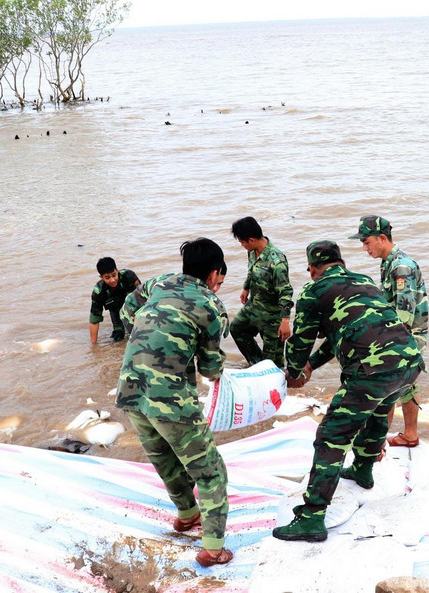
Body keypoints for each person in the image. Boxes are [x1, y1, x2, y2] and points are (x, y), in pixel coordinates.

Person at [272, 241, 424, 542]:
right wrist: (312, 366)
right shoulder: (364, 282)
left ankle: (312, 517)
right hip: (409, 362)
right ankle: (363, 471)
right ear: (340, 261)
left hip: (371, 373)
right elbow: (338, 334)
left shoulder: (314, 292)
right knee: (378, 413)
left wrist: (296, 371)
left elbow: (301, 341)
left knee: (331, 436)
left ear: (312, 268)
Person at [116, 238, 233, 567]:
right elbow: (211, 368)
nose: (219, 286)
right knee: (210, 472)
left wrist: (141, 337)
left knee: (165, 458)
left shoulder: (159, 281)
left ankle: (186, 515)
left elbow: (127, 309)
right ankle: (213, 548)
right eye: (220, 280)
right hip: (170, 401)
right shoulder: (211, 306)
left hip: (131, 389)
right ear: (213, 274)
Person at [349, 216, 429, 449]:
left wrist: (388, 349)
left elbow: (404, 316)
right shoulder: (389, 263)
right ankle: (410, 435)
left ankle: (377, 444)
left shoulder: (401, 267)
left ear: (382, 238)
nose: (364, 248)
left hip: (406, 336)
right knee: (407, 385)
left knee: (388, 386)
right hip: (403, 335)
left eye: (367, 242)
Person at [229, 216, 293, 367]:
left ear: (251, 240)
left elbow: (285, 291)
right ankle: (256, 365)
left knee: (273, 362)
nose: (242, 245)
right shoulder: (252, 251)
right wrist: (246, 288)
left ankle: (275, 380)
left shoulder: (276, 261)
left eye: (242, 242)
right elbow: (251, 270)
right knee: (237, 329)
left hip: (272, 316)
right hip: (254, 306)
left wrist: (285, 321)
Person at [89, 257, 140, 344]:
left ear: (117, 270)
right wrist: (93, 347)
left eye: (114, 275)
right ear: (101, 277)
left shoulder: (128, 276)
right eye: (107, 277)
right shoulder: (99, 292)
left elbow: (142, 297)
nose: (112, 280)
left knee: (138, 332)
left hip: (133, 305)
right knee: (118, 337)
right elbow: (94, 320)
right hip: (115, 309)